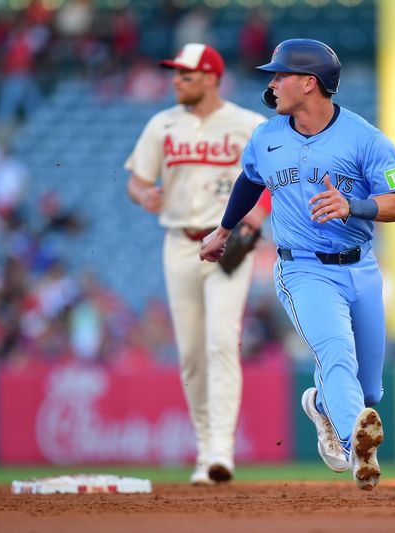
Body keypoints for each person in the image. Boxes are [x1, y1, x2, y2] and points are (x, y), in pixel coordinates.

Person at [199, 38, 395, 491]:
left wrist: (354, 206)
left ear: (309, 84)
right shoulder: (266, 136)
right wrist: (223, 230)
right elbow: (249, 181)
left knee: (369, 390)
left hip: (360, 268)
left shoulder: (365, 138)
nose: (272, 82)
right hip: (302, 268)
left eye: (280, 75)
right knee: (336, 351)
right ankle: (361, 453)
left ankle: (320, 405)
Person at [125, 43, 268, 485]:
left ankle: (221, 451)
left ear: (210, 77)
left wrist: (257, 217)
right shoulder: (162, 124)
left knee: (222, 342)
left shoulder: (249, 124)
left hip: (227, 242)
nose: (176, 81)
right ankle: (205, 450)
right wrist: (143, 194)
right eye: (176, 75)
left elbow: (274, 177)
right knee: (190, 353)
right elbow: (138, 180)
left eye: (185, 75)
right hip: (180, 242)